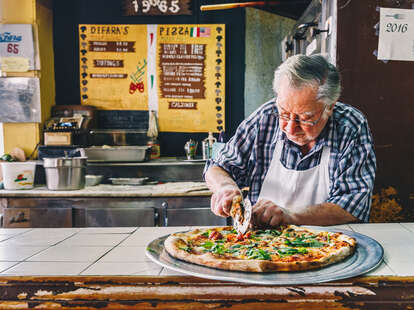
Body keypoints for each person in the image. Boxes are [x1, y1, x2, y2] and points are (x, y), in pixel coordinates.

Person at [204, 54, 376, 227]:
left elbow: (353, 205)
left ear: (330, 106)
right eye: (284, 114)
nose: (291, 128)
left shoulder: (349, 127)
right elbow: (217, 167)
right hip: (259, 244)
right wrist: (225, 187)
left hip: (327, 242)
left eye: (306, 118)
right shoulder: (265, 118)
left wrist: (290, 216)